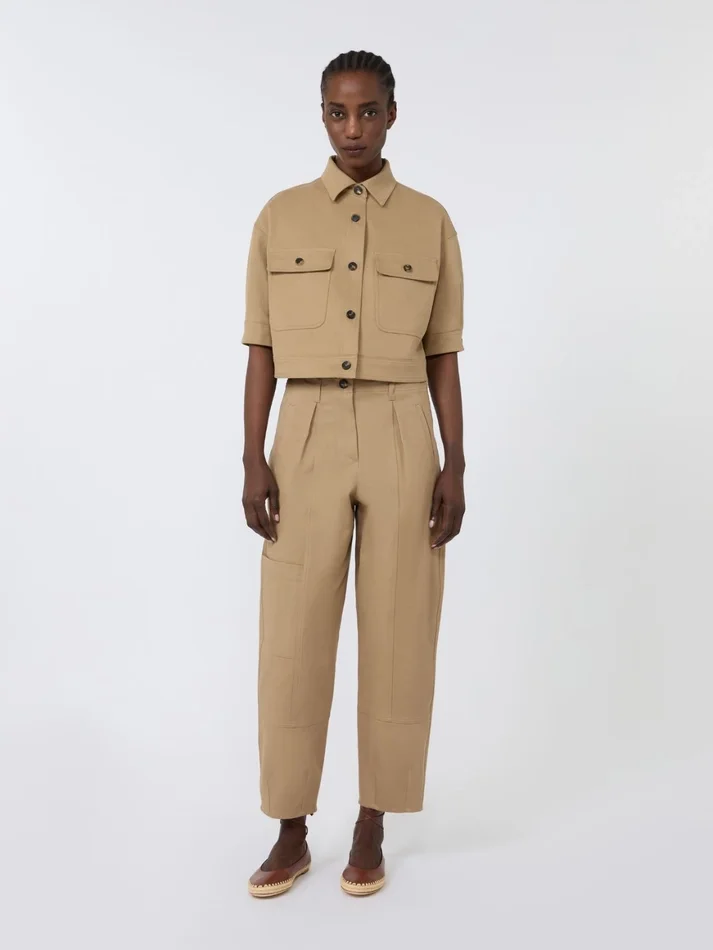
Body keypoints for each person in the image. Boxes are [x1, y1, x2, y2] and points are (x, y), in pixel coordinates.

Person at [241, 49, 466, 898]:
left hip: (404, 426)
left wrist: (454, 463)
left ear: (392, 115)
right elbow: (260, 348)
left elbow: (443, 353)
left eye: (368, 111)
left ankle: (373, 817)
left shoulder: (430, 221)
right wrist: (252, 456)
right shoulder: (280, 216)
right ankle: (290, 827)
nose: (353, 128)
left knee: (400, 627)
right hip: (304, 429)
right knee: (292, 633)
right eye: (338, 112)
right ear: (322, 117)